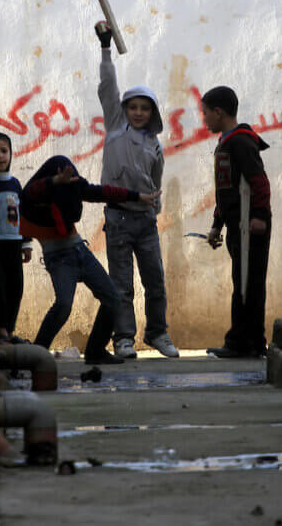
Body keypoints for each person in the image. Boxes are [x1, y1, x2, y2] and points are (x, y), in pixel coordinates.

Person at [20, 155, 160, 365]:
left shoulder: (75, 186)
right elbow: (33, 190)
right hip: (58, 258)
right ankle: (36, 355)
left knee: (112, 298)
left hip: (79, 251)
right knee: (64, 305)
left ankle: (95, 350)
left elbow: (103, 192)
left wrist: (139, 197)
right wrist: (55, 182)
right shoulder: (34, 196)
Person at [94, 21, 178, 360]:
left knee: (155, 281)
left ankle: (157, 333)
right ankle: (124, 338)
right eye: (133, 107)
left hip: (145, 222)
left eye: (145, 108)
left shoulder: (155, 145)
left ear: (153, 112)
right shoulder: (116, 127)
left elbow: (156, 182)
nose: (139, 113)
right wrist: (105, 48)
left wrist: (153, 214)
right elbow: (108, 86)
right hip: (117, 219)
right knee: (121, 284)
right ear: (125, 110)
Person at [200, 86, 272, 358]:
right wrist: (217, 225)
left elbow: (259, 183)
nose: (204, 119)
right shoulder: (228, 141)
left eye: (206, 113)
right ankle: (251, 342)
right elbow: (227, 189)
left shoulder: (241, 141)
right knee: (245, 283)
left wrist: (259, 217)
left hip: (250, 225)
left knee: (247, 284)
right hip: (237, 224)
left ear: (218, 112)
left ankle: (241, 343)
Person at [0, 132, 33, 344]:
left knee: (15, 287)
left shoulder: (15, 184)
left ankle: (9, 330)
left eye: (4, 151)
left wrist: (26, 243)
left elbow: (23, 215)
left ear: (11, 153)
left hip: (14, 244)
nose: (0, 156)